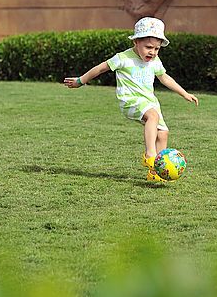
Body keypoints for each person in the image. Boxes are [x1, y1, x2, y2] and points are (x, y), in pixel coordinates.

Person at [63, 17, 199, 182]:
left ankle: (155, 173)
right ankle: (150, 155)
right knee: (153, 117)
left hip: (150, 101)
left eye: (157, 49)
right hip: (130, 100)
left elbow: (164, 78)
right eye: (149, 47)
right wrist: (80, 81)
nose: (153, 52)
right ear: (136, 42)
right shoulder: (123, 58)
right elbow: (100, 69)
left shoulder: (155, 61)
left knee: (163, 133)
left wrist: (184, 93)